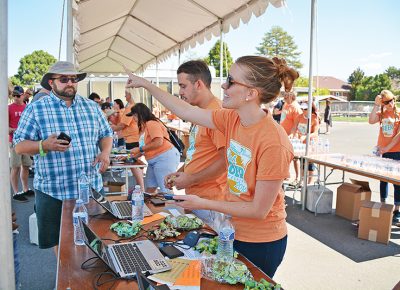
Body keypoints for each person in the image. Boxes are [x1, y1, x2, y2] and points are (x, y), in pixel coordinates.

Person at [125, 55, 298, 278]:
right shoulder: (233, 119)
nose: (224, 86)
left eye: (231, 81)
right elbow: (185, 111)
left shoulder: (274, 142)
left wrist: (204, 202)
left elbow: (258, 210)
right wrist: (146, 84)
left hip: (261, 241)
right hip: (232, 231)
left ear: (251, 93)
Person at [13, 61, 113, 252]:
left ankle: (86, 279)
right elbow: (19, 146)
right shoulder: (36, 109)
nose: (70, 83)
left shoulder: (91, 106)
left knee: (95, 239)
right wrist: (43, 145)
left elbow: (106, 134)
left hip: (91, 188)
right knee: (59, 243)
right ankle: (65, 279)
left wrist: (105, 152)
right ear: (51, 83)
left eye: (74, 79)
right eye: (64, 79)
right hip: (54, 191)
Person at [163, 60, 227, 203]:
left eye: (183, 86)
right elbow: (199, 154)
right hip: (196, 196)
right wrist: (180, 173)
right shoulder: (200, 112)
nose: (180, 92)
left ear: (198, 84)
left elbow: (225, 160)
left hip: (211, 199)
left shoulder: (215, 113)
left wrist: (191, 179)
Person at [126, 103, 180, 193]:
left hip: (164, 157)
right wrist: (128, 157)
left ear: (140, 115)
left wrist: (139, 149)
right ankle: (150, 206)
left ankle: (170, 207)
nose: (133, 119)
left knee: (165, 189)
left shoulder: (151, 123)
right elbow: (147, 147)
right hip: (155, 160)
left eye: (134, 116)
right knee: (150, 189)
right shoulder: (146, 125)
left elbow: (158, 142)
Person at [369, 90, 400, 222]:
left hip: (396, 151)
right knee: (383, 180)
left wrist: (388, 148)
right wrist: (376, 105)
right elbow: (371, 120)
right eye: (387, 102)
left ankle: (397, 210)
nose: (391, 103)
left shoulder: (398, 114)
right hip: (382, 151)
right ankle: (383, 205)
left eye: (392, 100)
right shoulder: (381, 113)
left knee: (397, 182)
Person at [110, 90, 145, 189]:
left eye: (126, 93)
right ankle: (140, 188)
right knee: (134, 163)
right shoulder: (132, 106)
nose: (124, 95)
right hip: (133, 138)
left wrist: (110, 128)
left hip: (133, 139)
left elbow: (122, 125)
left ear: (131, 94)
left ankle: (141, 188)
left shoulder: (131, 107)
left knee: (134, 163)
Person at [9, 85, 33, 202]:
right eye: (14, 95)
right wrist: (16, 130)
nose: (16, 97)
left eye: (18, 95)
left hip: (25, 141)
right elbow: (5, 127)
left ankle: (25, 189)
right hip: (13, 141)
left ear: (23, 95)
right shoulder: (8, 108)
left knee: (26, 165)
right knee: (15, 167)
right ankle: (16, 192)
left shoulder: (27, 108)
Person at [291, 102, 319, 184]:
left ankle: (309, 183)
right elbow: (294, 128)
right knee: (302, 162)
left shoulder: (314, 118)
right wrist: (293, 135)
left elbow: (315, 133)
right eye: (302, 108)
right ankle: (302, 181)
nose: (303, 110)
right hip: (301, 145)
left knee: (310, 164)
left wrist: (306, 136)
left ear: (310, 109)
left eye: (305, 109)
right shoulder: (299, 117)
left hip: (311, 144)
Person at [280, 90, 302, 186]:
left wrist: (293, 135)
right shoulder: (286, 104)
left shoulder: (295, 107)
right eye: (284, 94)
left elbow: (298, 124)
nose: (284, 96)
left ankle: (297, 178)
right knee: (285, 156)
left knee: (295, 158)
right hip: (284, 134)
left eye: (286, 95)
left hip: (292, 136)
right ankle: (286, 174)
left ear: (291, 96)